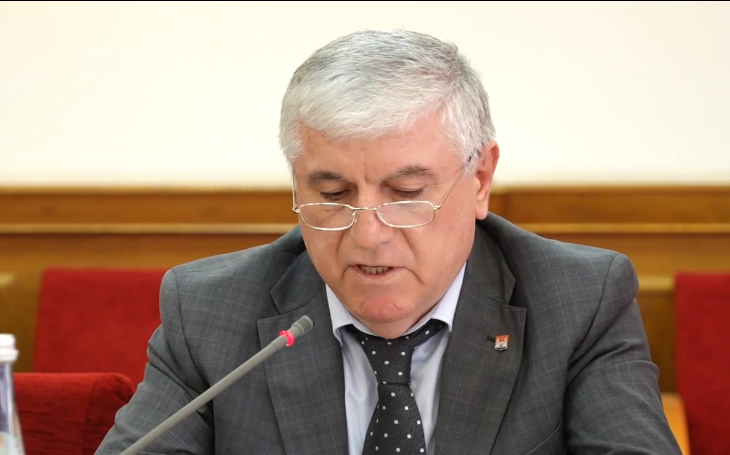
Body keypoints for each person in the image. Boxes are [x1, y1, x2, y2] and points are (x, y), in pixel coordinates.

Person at [97, 29, 681, 454]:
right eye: (333, 194)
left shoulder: (578, 302)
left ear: (480, 181)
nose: (368, 235)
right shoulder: (210, 313)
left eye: (405, 193)